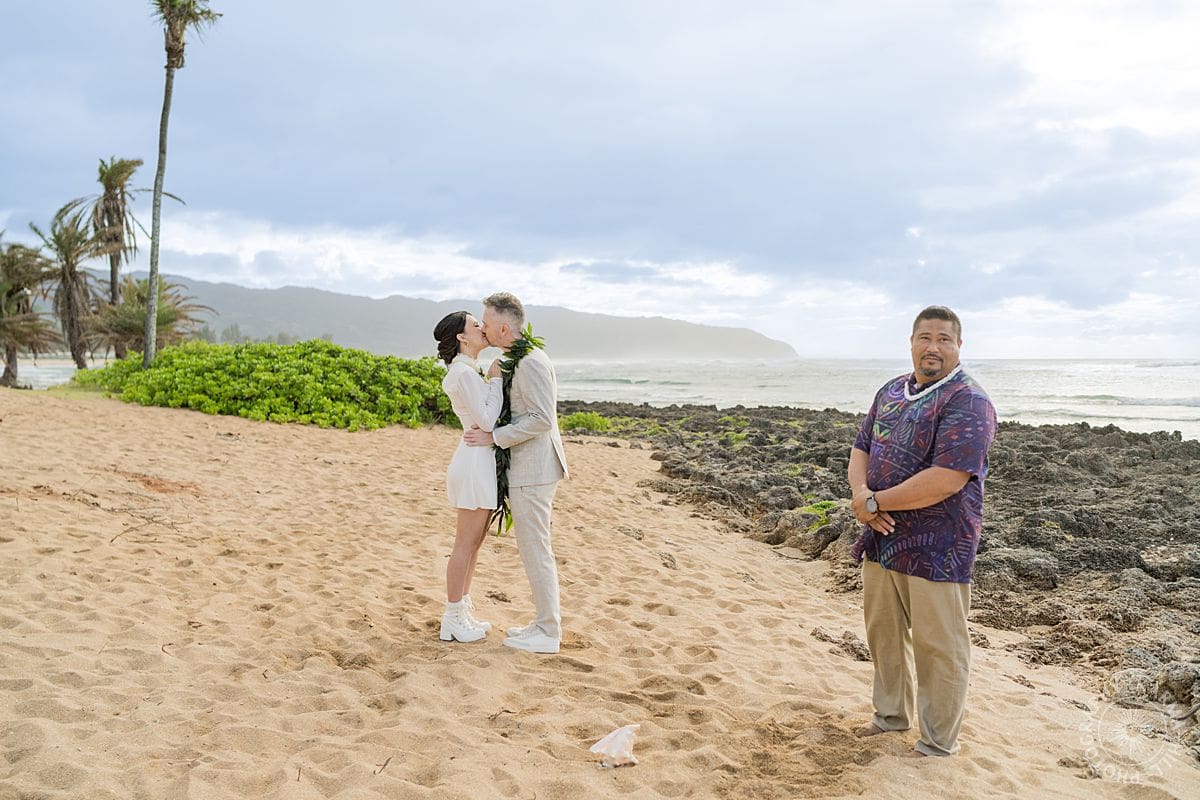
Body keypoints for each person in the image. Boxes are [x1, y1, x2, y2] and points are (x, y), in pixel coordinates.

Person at [848, 305, 997, 758]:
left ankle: (937, 742)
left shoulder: (969, 401)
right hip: (881, 537)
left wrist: (875, 502)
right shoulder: (891, 391)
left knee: (940, 645)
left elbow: (947, 478)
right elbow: (862, 448)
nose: (933, 347)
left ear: (958, 346)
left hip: (939, 546)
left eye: (944, 339)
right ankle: (890, 716)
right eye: (925, 337)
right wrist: (862, 499)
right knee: (883, 633)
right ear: (911, 342)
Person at [463, 292, 569, 654]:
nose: (484, 328)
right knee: (532, 547)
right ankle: (542, 622)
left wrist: (495, 437)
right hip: (529, 468)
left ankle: (548, 631)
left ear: (504, 327)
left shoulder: (531, 363)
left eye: (487, 323)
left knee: (536, 548)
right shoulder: (518, 360)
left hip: (535, 470)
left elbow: (542, 419)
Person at [433, 311, 504, 643]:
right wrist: (499, 379)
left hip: (479, 460)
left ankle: (463, 610)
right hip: (474, 462)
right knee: (464, 543)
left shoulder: (467, 371)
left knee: (475, 543)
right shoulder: (463, 373)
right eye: (476, 325)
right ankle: (452, 616)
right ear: (462, 337)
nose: (482, 328)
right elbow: (487, 421)